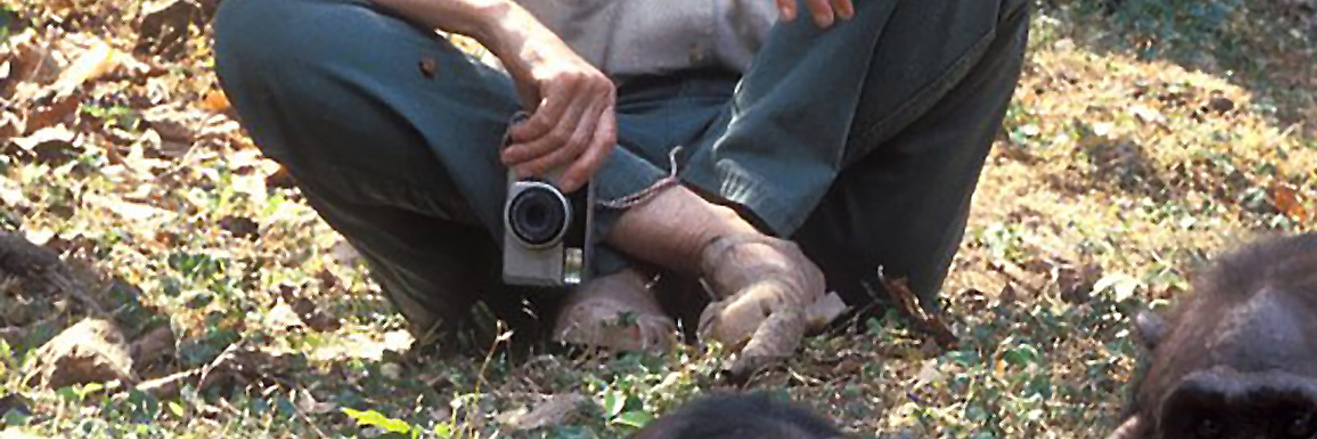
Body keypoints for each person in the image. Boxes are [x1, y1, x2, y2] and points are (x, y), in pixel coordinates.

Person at [211, 0, 1030, 357]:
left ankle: (703, 245)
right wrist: (502, 22)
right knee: (269, 25)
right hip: (537, 202)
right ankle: (697, 244)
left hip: (821, 186)